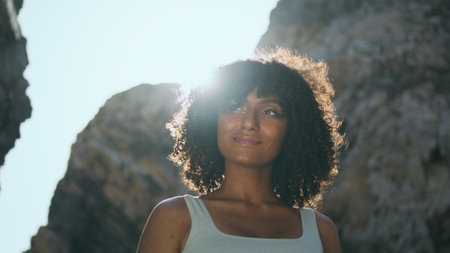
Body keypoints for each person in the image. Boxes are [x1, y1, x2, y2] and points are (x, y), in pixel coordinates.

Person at [137, 47, 344, 253]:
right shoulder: (175, 217)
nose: (249, 123)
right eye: (235, 107)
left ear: (293, 129)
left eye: (269, 111)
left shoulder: (320, 231)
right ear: (212, 121)